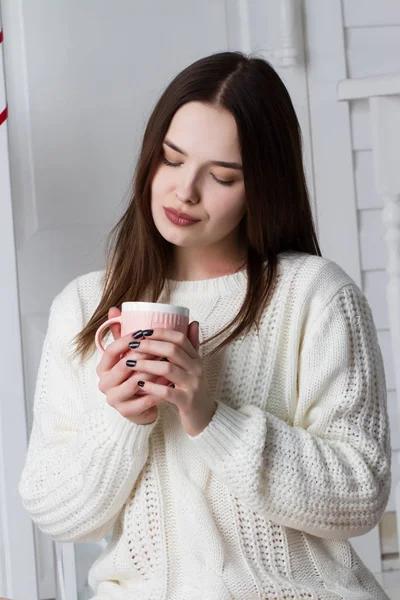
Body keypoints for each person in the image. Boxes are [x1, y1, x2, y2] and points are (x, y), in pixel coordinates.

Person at [18, 51, 391, 599]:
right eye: (171, 160)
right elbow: (55, 510)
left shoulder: (315, 295)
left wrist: (212, 418)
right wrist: (123, 421)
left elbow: (361, 493)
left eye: (221, 176)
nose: (185, 192)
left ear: (262, 187)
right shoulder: (84, 305)